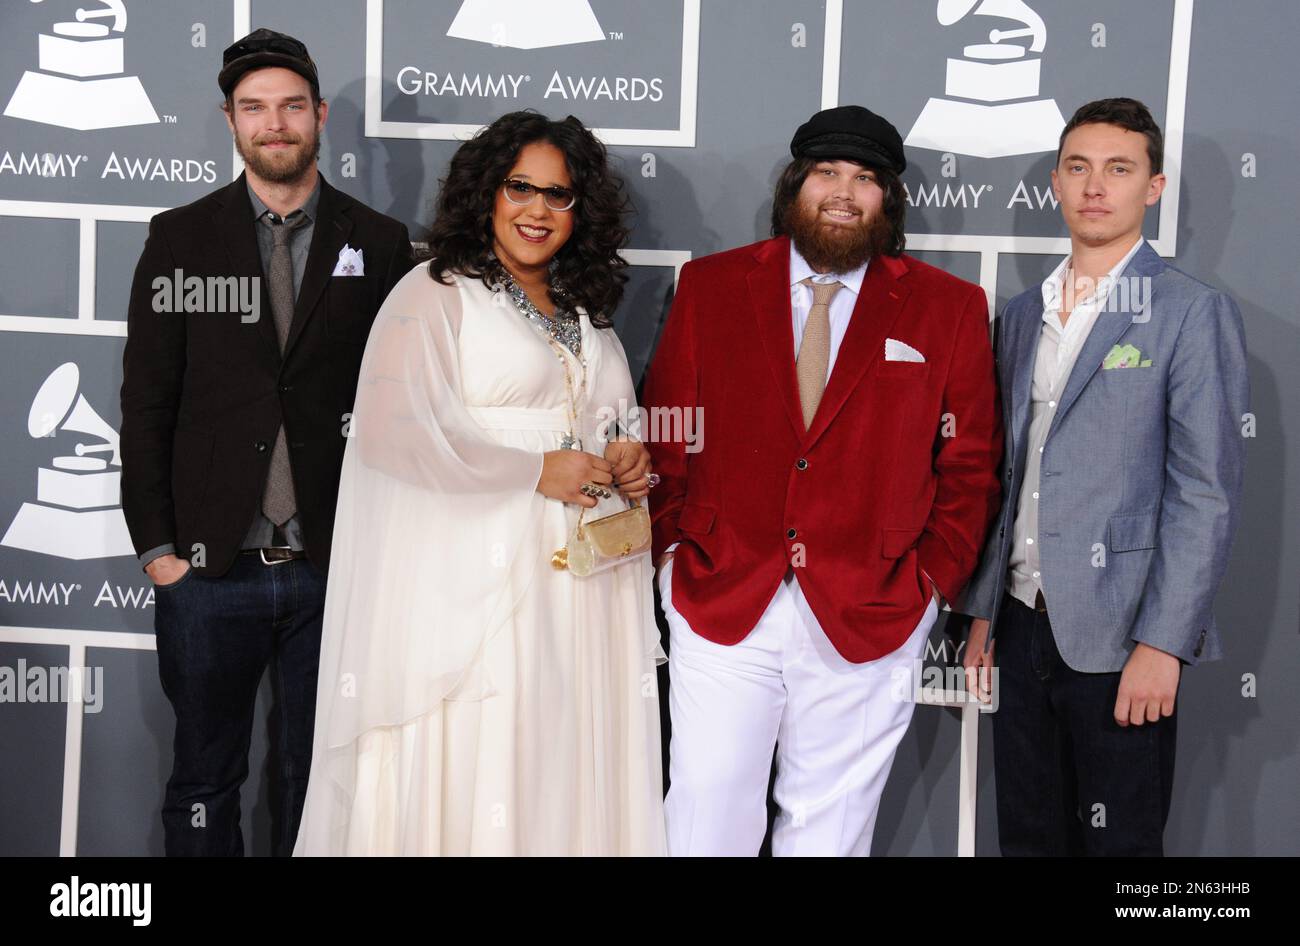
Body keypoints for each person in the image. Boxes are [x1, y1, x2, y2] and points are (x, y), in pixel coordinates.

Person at [292, 111, 667, 856]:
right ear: (485, 194)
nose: (537, 210)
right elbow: (394, 438)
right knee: (480, 743)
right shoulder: (434, 294)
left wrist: (628, 456)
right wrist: (534, 471)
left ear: (578, 210)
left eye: (558, 196)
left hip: (579, 595)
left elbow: (612, 419)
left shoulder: (588, 314)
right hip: (472, 592)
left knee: (559, 750)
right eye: (519, 188)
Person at [642, 105, 1003, 856]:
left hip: (871, 609)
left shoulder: (948, 307)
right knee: (705, 820)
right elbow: (669, 427)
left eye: (866, 178)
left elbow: (968, 465)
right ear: (795, 186)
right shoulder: (709, 286)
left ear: (889, 202)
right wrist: (672, 554)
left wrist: (929, 584)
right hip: (721, 596)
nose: (844, 191)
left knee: (830, 835)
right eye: (828, 172)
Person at [119, 28, 415, 856]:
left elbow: (397, 405)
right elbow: (146, 403)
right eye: (255, 108)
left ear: (319, 116)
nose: (274, 123)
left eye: (291, 106)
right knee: (205, 779)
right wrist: (159, 554)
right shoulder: (179, 238)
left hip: (336, 566)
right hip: (210, 569)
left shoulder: (382, 242)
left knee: (319, 781)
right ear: (230, 121)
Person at [959, 98, 1249, 856]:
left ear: (1151, 188)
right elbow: (1007, 470)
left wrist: (1164, 643)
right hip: (1022, 627)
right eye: (1080, 168)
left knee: (1121, 850)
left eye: (1119, 169)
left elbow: (1204, 492)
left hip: (1123, 635)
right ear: (1056, 182)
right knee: (1028, 838)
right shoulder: (1020, 316)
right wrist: (987, 605)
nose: (1096, 186)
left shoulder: (1190, 312)